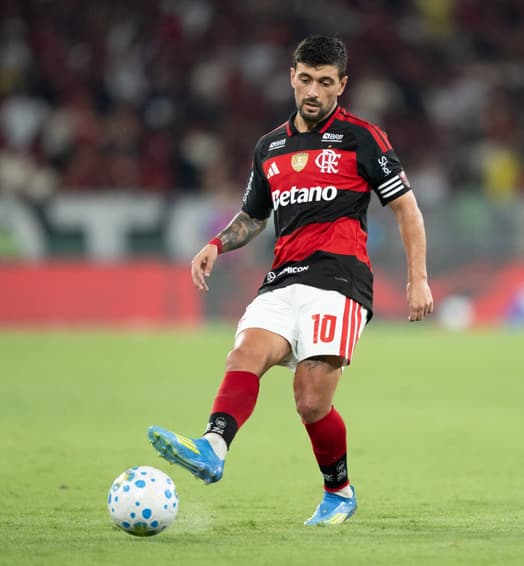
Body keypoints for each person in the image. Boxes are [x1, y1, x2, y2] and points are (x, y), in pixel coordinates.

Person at [147, 35, 434, 527]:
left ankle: (338, 491)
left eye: (325, 82)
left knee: (310, 400)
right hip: (282, 278)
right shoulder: (270, 147)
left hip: (340, 280)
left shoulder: (363, 138)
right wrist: (217, 243)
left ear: (342, 85)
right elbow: (253, 215)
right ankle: (212, 447)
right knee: (245, 353)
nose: (313, 91)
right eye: (305, 80)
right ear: (291, 78)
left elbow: (407, 209)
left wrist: (418, 280)